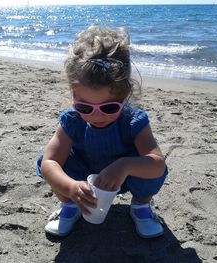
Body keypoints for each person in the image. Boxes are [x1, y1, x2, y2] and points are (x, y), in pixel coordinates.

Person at [36, 26, 168, 238]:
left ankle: (141, 208)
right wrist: (70, 187)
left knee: (152, 170)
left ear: (125, 96)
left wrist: (124, 165)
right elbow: (48, 163)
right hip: (82, 178)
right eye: (85, 107)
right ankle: (70, 206)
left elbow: (157, 163)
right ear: (73, 96)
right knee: (52, 166)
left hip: (125, 178)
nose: (96, 115)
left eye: (109, 108)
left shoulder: (134, 121)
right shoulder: (71, 121)